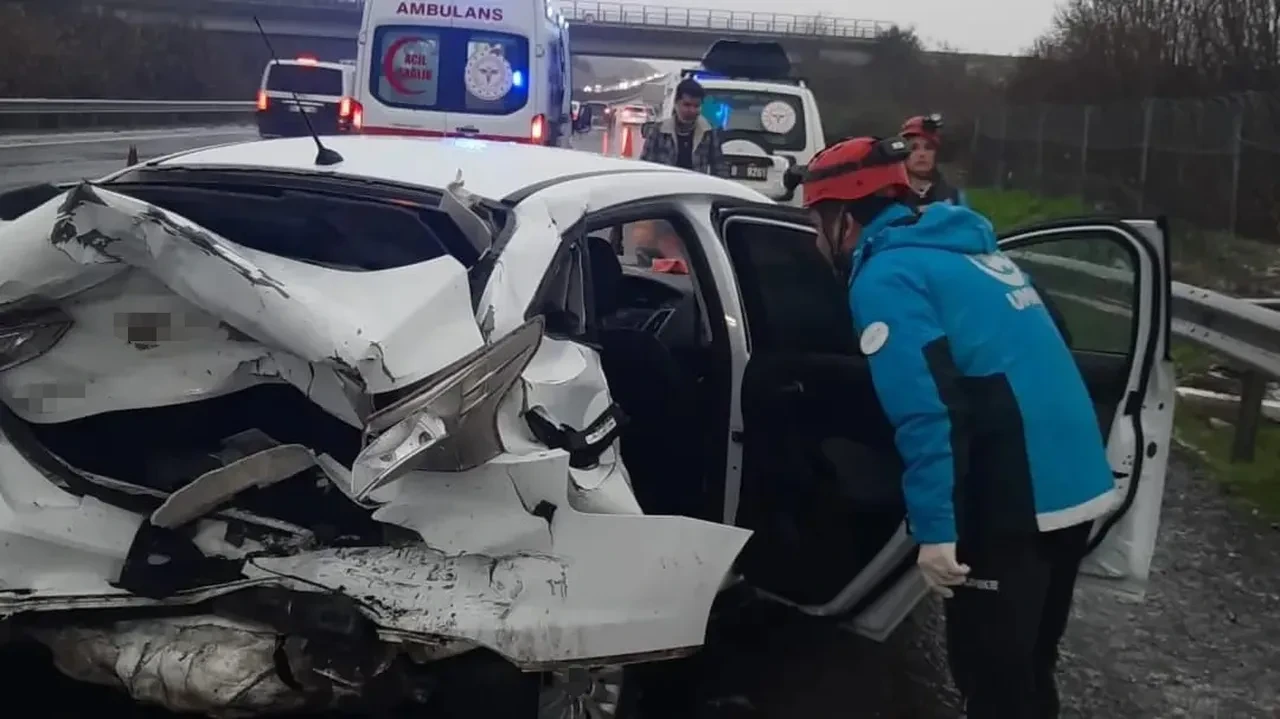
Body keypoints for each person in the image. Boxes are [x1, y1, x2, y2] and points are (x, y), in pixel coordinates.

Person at [796, 135, 1116, 719]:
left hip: (1013, 501)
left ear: (844, 218)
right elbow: (1054, 345)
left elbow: (930, 409)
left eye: (817, 223)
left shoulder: (888, 276)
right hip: (1075, 486)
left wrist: (936, 531)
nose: (817, 241)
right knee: (1028, 670)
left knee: (989, 676)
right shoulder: (975, 253)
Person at [639, 77, 724, 176]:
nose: (691, 110)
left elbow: (719, 169)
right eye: (687, 105)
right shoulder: (658, 131)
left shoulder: (708, 133)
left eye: (696, 106)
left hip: (697, 189)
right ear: (676, 104)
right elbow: (646, 167)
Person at [901, 114, 967, 206]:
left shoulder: (954, 196)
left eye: (928, 148)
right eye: (913, 148)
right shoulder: (889, 195)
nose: (922, 154)